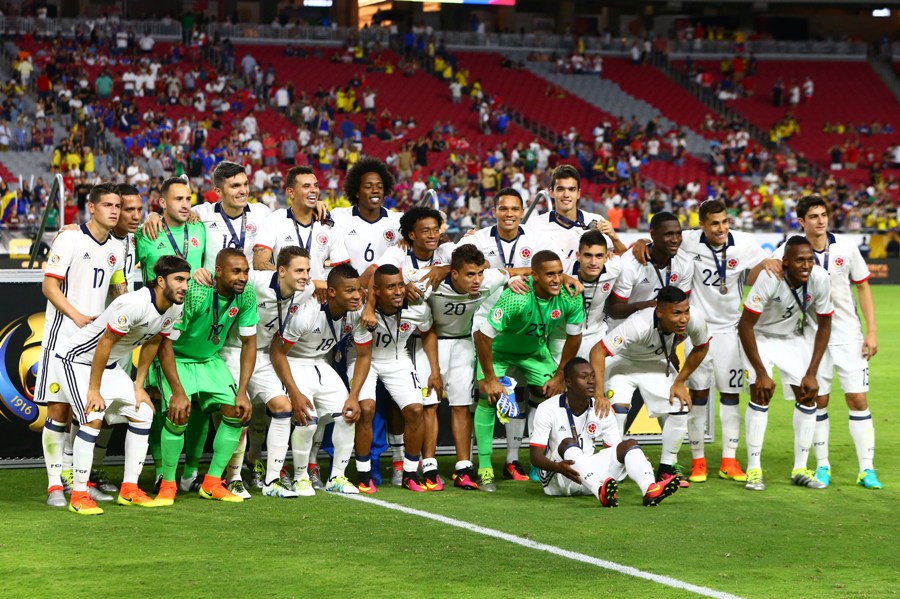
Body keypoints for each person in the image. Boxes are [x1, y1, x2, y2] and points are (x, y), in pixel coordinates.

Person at [634, 200, 771, 484]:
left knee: (731, 397)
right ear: (702, 225)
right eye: (714, 223)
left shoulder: (745, 244)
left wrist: (768, 262)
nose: (721, 228)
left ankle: (729, 461)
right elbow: (659, 244)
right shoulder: (688, 242)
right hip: (698, 332)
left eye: (724, 222)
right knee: (698, 397)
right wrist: (639, 242)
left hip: (731, 332)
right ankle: (698, 461)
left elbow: (763, 264)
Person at [51, 256, 189, 514]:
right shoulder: (134, 303)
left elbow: (153, 342)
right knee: (92, 416)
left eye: (187, 281)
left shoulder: (174, 307)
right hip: (75, 361)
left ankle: (129, 489)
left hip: (108, 366)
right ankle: (79, 494)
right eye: (179, 280)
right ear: (161, 281)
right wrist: (94, 390)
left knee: (143, 412)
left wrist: (139, 384)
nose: (184, 286)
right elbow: (105, 343)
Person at [771, 197, 881, 489]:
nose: (820, 221)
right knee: (818, 399)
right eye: (813, 216)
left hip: (848, 335)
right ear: (801, 221)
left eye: (823, 215)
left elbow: (863, 287)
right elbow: (764, 270)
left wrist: (871, 331)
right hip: (811, 337)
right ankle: (823, 466)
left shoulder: (845, 248)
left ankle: (866, 470)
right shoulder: (789, 249)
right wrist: (767, 261)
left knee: (857, 399)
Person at [39, 183, 126, 508]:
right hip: (60, 340)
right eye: (108, 205)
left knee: (87, 413)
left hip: (91, 345)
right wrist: (77, 317)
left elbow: (118, 290)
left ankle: (79, 480)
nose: (114, 211)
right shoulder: (70, 238)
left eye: (117, 205)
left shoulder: (116, 247)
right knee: (59, 411)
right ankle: (53, 485)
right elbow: (49, 286)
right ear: (92, 208)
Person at [152, 249, 259, 504]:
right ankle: (168, 484)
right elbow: (164, 342)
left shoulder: (247, 294)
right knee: (178, 415)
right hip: (175, 357)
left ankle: (211, 482)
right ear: (217, 272)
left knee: (236, 410)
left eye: (245, 271)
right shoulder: (197, 292)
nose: (243, 277)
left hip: (208, 360)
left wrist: (242, 390)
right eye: (236, 272)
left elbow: (249, 342)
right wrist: (178, 391)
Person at [474, 250, 584, 492]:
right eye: (549, 275)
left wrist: (560, 375)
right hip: (499, 352)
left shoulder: (571, 295)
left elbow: (575, 338)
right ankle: (484, 468)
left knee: (556, 396)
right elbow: (482, 336)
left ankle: (543, 463)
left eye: (559, 273)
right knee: (488, 395)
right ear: (534, 276)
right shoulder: (517, 296)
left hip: (535, 352)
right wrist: (491, 379)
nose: (556, 280)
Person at [407, 245, 511, 490]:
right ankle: (429, 467)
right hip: (430, 344)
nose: (476, 281)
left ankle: (464, 468)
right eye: (469, 275)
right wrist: (430, 273)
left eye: (479, 274)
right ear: (454, 274)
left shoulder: (488, 281)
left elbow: (520, 271)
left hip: (463, 344)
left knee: (462, 406)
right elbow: (388, 275)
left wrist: (517, 279)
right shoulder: (430, 280)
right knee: (429, 405)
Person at [738, 236, 833, 492]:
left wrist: (812, 373)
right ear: (786, 262)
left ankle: (800, 469)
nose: (806, 265)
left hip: (791, 338)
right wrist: (760, 372)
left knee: (809, 394)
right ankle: (754, 470)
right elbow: (744, 325)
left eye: (810, 259)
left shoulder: (821, 278)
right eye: (799, 260)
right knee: (761, 393)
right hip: (758, 336)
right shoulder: (770, 278)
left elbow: (825, 325)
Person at [327, 157, 401, 485]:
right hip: (344, 309)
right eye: (368, 185)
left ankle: (374, 459)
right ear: (355, 190)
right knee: (338, 386)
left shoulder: (398, 222)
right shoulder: (338, 218)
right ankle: (330, 459)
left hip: (381, 313)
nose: (375, 191)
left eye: (380, 186)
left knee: (379, 396)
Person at [271, 263, 373, 495]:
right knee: (308, 421)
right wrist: (294, 393)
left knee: (347, 415)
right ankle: (300, 478)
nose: (357, 296)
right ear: (332, 292)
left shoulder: (357, 312)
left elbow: (365, 355)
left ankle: (337, 477)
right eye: (349, 291)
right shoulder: (308, 312)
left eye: (358, 289)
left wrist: (354, 396)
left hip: (321, 364)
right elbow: (277, 352)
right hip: (293, 362)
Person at [590, 286, 710, 483]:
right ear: (660, 312)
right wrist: (599, 395)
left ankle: (667, 468)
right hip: (623, 362)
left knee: (679, 406)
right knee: (617, 412)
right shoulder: (638, 325)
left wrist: (680, 381)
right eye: (676, 313)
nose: (683, 319)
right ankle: (610, 469)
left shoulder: (693, 319)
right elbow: (598, 351)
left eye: (686, 311)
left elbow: (702, 347)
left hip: (657, 364)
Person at [135, 177, 208, 492]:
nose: (184, 204)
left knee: (197, 401)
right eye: (177, 199)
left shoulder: (200, 228)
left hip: (194, 326)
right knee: (159, 401)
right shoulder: (145, 233)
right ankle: (163, 471)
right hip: (156, 325)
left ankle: (190, 472)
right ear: (161, 203)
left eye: (188, 199)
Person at [529, 358, 681, 506]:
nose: (591, 381)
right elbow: (535, 457)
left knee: (629, 445)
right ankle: (600, 490)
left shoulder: (602, 409)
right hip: (559, 477)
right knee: (568, 443)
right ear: (569, 382)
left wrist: (634, 459)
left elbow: (614, 450)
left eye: (593, 376)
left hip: (588, 476)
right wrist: (557, 467)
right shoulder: (548, 408)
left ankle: (649, 489)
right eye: (584, 377)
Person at [353, 265, 441, 493]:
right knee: (367, 408)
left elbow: (429, 331)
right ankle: (363, 475)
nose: (398, 291)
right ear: (377, 291)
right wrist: (369, 306)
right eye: (390, 287)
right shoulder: (363, 309)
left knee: (415, 410)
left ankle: (410, 473)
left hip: (398, 358)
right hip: (365, 360)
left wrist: (434, 370)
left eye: (400, 285)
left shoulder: (417, 308)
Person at [253, 165, 351, 282]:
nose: (314, 190)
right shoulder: (275, 220)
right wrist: (301, 283)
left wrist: (326, 285)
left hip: (318, 298)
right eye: (306, 186)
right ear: (291, 192)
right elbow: (259, 263)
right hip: (284, 298)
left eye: (316, 186)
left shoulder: (328, 225)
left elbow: (341, 270)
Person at [530, 164, 626, 272]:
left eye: (571, 189)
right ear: (551, 192)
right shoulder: (534, 225)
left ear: (578, 193)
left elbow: (625, 259)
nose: (566, 194)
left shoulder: (597, 220)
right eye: (561, 189)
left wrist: (614, 237)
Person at [572, 230, 621, 360]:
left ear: (606, 257)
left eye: (599, 256)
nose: (593, 262)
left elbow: (632, 257)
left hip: (596, 335)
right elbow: (534, 271)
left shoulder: (614, 267)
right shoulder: (562, 271)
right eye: (588, 255)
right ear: (578, 255)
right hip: (562, 337)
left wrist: (641, 242)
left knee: (596, 378)